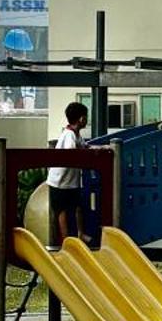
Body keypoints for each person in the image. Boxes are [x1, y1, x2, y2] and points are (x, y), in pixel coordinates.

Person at [48, 101, 88, 248]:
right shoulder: (69, 135)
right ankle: (66, 239)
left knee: (77, 206)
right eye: (86, 117)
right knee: (62, 211)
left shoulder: (76, 135)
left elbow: (84, 146)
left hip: (70, 181)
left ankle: (80, 233)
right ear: (81, 119)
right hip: (60, 181)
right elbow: (73, 153)